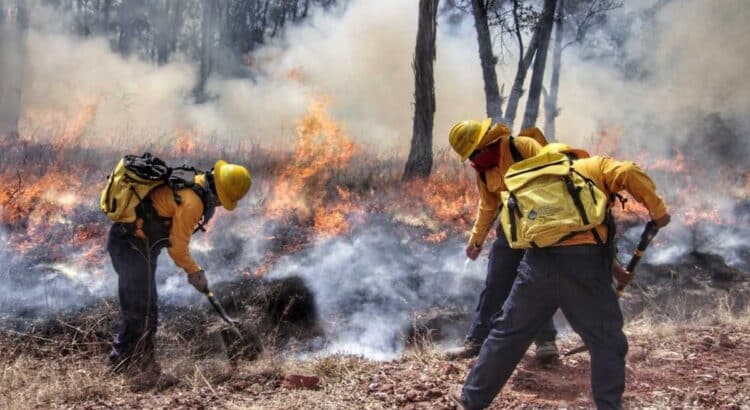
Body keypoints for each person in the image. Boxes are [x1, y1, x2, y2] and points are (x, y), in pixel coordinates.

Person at [449, 144, 671, 410]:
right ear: (574, 156)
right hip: (585, 270)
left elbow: (567, 232)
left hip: (536, 266)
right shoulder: (591, 167)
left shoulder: (533, 183)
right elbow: (627, 173)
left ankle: (471, 399)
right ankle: (609, 406)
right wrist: (658, 211)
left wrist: (616, 271)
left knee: (508, 334)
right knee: (607, 340)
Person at [107, 160, 251, 387]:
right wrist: (195, 272)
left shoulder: (197, 182)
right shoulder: (193, 201)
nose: (220, 206)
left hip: (140, 246)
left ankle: (144, 366)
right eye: (223, 201)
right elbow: (177, 248)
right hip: (130, 245)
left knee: (147, 310)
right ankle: (120, 367)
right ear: (219, 193)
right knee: (140, 311)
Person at [445, 118, 559, 362]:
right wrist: (476, 240)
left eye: (474, 153)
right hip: (510, 229)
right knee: (496, 282)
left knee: (537, 282)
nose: (473, 161)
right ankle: (478, 340)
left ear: (488, 142)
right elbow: (488, 205)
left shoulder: (523, 147)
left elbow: (555, 179)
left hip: (542, 227)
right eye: (469, 156)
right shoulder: (483, 171)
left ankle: (546, 343)